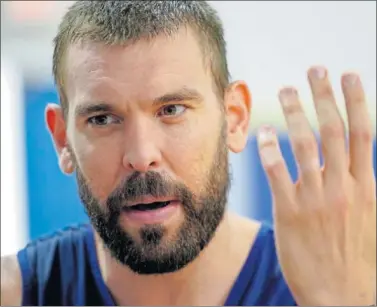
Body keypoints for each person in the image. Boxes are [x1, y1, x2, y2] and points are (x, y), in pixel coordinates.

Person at [1, 1, 376, 306]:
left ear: (235, 119)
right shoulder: (17, 293)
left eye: (172, 110)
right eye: (102, 119)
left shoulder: (340, 285)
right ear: (63, 140)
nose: (142, 155)